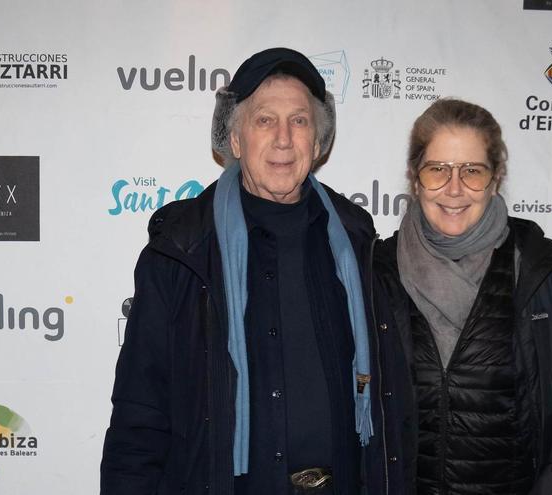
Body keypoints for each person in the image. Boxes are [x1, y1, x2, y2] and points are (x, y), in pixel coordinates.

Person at [100, 47, 410, 495]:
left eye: (299, 121)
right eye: (265, 120)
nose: (284, 138)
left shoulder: (360, 246)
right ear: (235, 139)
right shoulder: (180, 252)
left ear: (318, 143)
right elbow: (140, 414)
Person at [374, 98, 552, 495]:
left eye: (473, 171)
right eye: (437, 170)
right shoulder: (377, 271)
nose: (455, 189)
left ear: (495, 179)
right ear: (415, 178)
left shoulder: (548, 274)